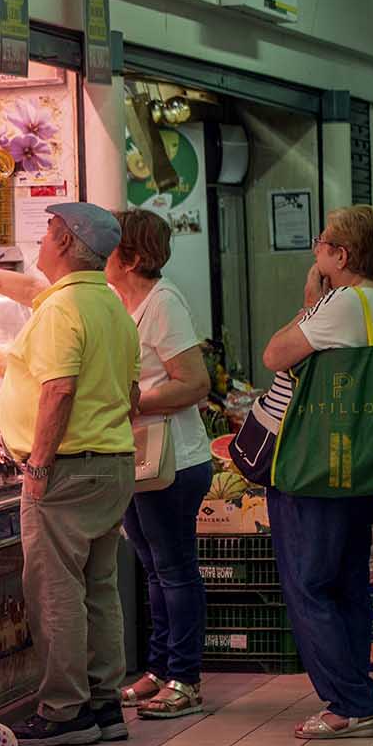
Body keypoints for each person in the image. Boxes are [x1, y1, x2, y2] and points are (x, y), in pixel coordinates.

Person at [0, 204, 140, 746]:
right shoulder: (108, 305)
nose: (41, 239)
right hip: (111, 465)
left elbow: (58, 390)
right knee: (99, 588)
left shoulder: (62, 312)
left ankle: (63, 711)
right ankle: (105, 704)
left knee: (55, 592)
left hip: (67, 471)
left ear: (68, 243)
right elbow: (132, 396)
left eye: (49, 232)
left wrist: (38, 464)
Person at [256, 205, 373, 739]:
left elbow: (275, 354)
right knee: (342, 583)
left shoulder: (341, 302)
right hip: (355, 466)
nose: (314, 252)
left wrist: (309, 304)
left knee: (308, 583)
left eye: (320, 244)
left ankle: (347, 703)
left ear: (339, 255)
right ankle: (356, 696)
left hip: (316, 465)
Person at [105, 211, 214, 719]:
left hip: (175, 461)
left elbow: (194, 383)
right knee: (153, 568)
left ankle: (185, 679)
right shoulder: (121, 301)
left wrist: (131, 400)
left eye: (107, 245)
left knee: (175, 570)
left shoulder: (163, 304)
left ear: (129, 257)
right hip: (140, 460)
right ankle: (158, 669)